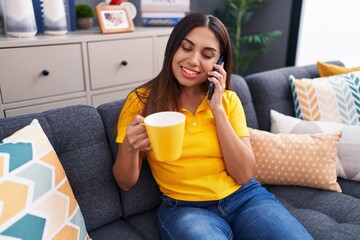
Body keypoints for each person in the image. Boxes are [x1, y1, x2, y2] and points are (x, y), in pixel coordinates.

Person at [113, 12, 313, 240]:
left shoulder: (228, 101)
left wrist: (217, 110)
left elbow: (244, 174)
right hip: (185, 208)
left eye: (207, 54)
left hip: (245, 198)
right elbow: (125, 182)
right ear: (172, 48)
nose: (193, 60)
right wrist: (130, 146)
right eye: (186, 48)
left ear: (219, 63)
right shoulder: (141, 102)